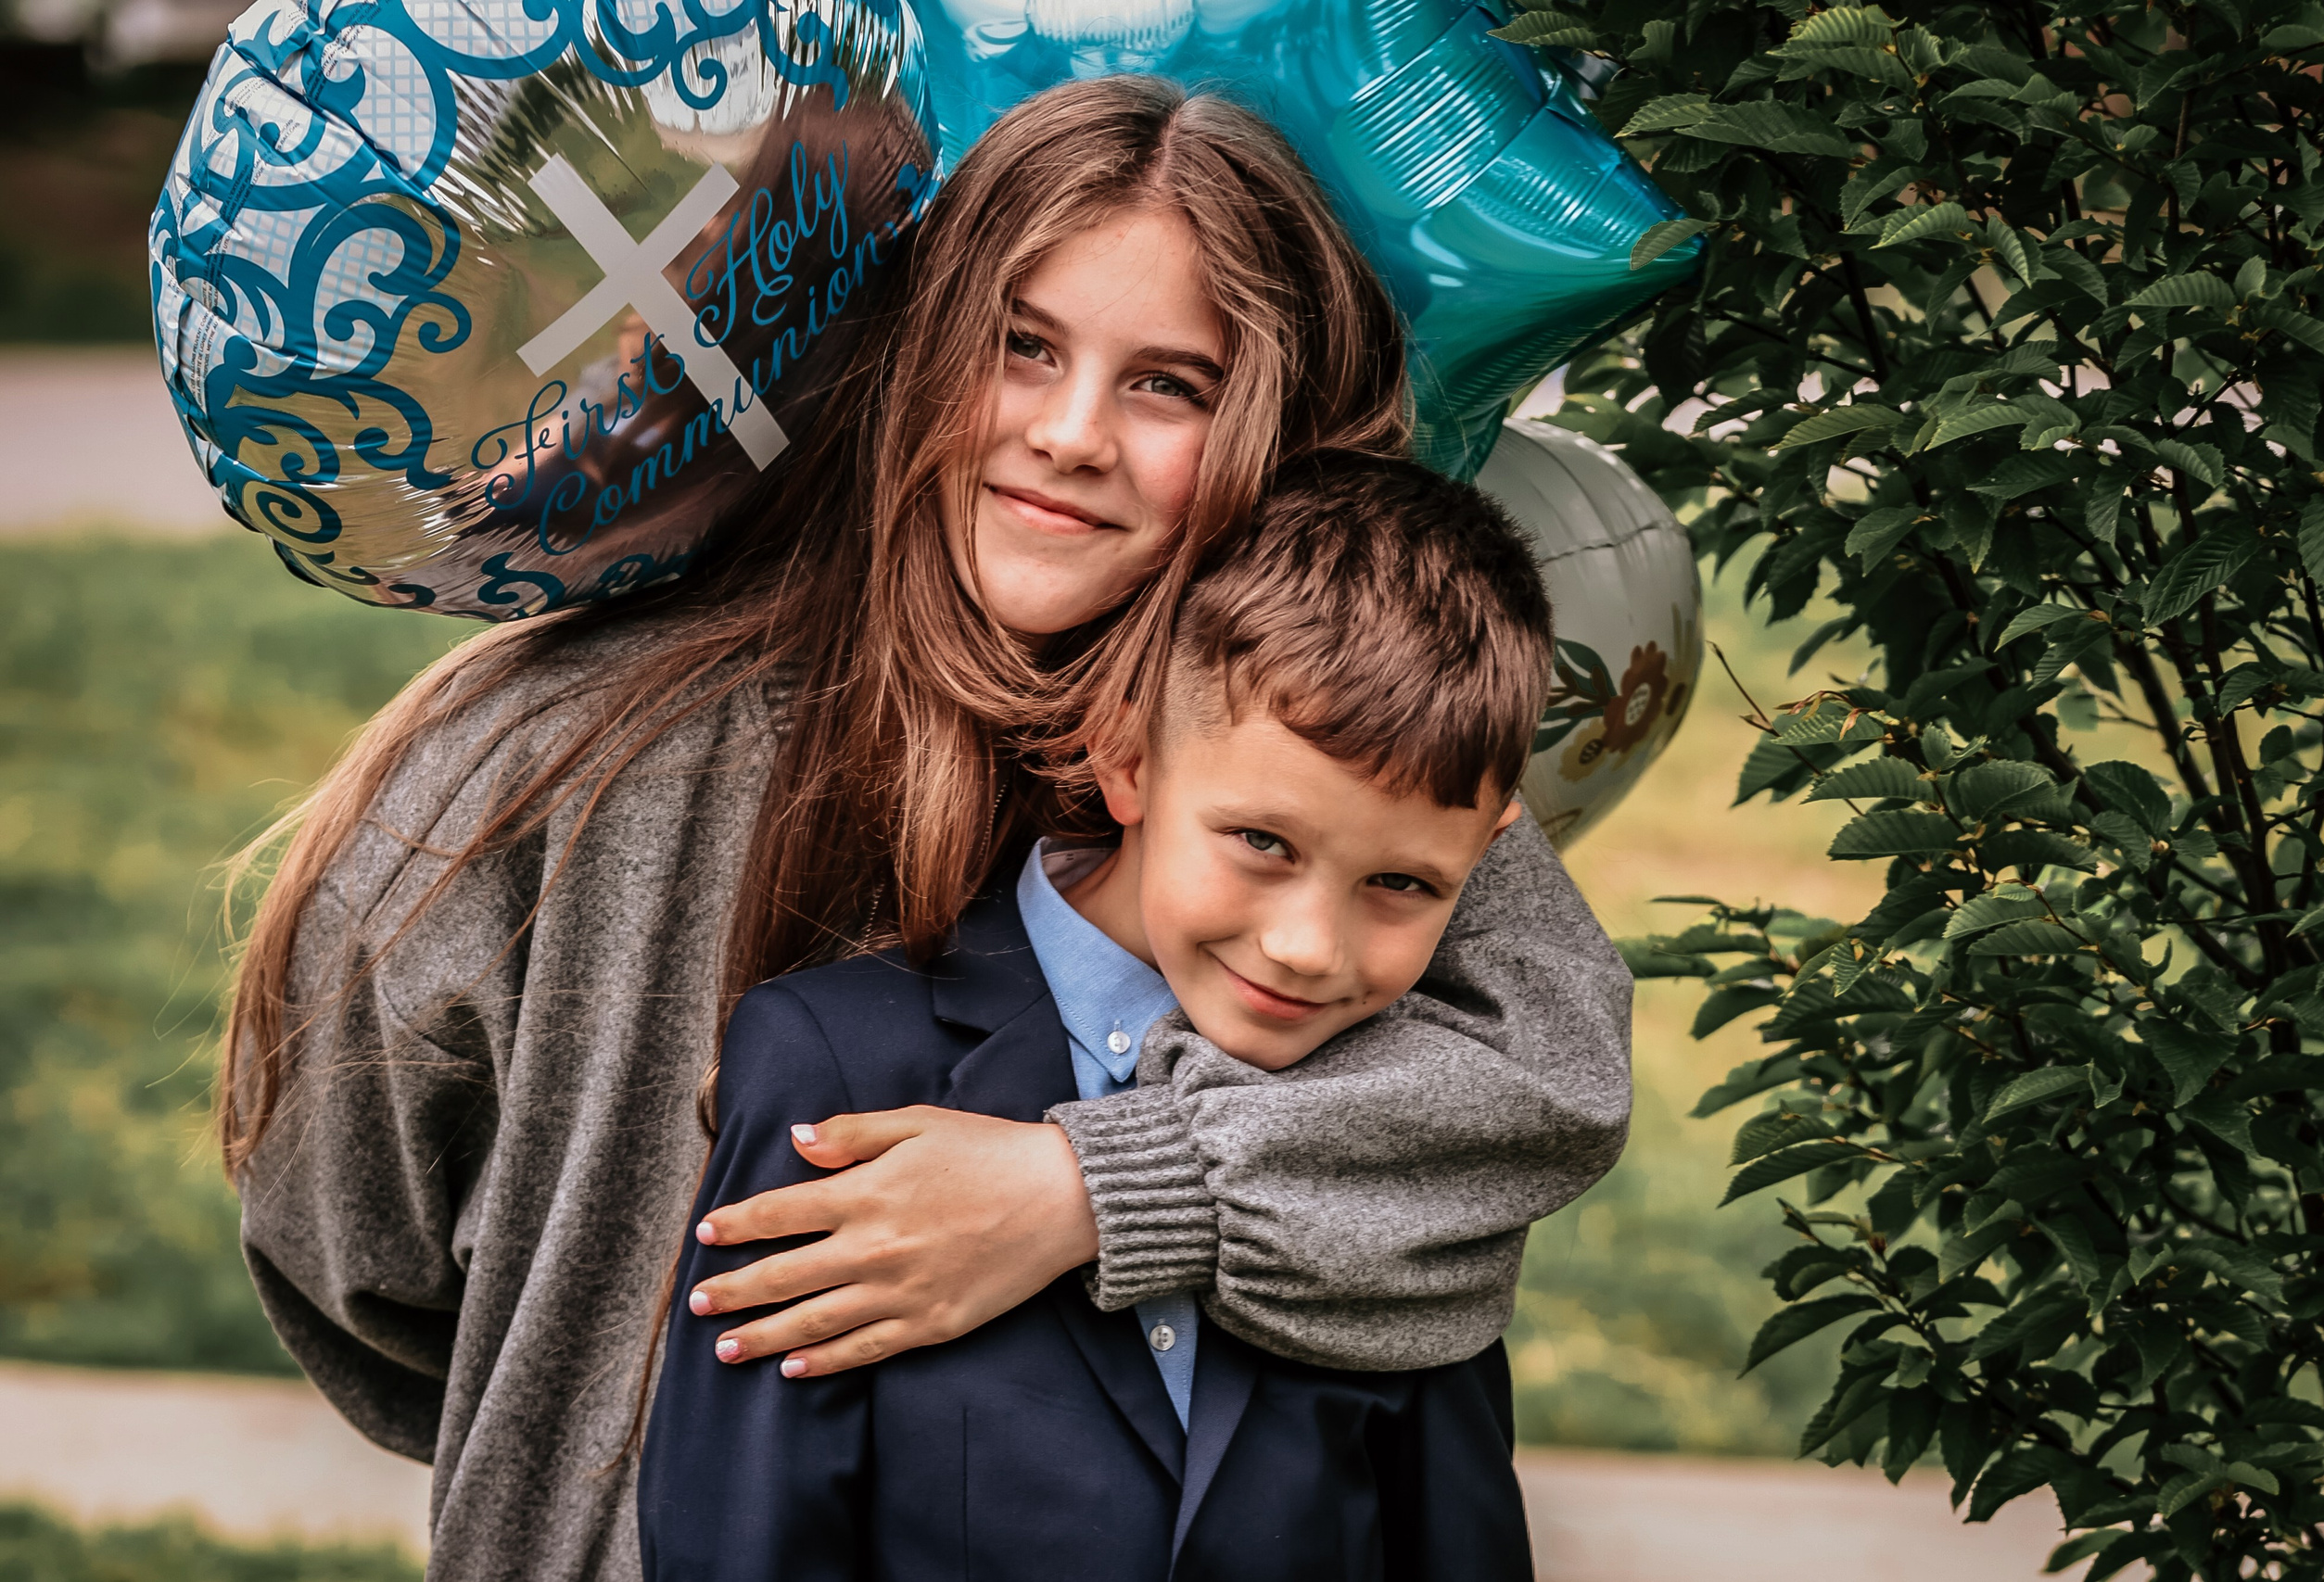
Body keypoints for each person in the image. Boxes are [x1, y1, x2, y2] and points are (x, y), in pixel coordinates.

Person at [222, 77, 1631, 1582]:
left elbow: (1541, 1077)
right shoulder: (542, 758)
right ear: (921, 346)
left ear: (1278, 431)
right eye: (1022, 346)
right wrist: (576, 1413)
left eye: (1170, 383)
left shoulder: (1304, 793)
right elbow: (346, 1251)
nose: (1073, 432)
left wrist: (1084, 1188)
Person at [641, 454, 1552, 1581]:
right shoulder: (836, 1063)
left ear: (1489, 850)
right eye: (1262, 843)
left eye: (1403, 886)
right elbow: (745, 1543)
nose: (1308, 949)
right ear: (1126, 758)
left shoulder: (1404, 1125)